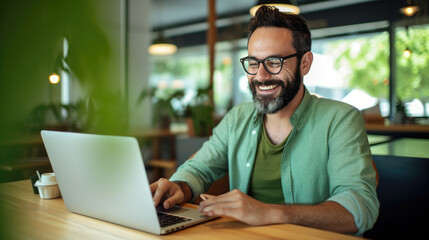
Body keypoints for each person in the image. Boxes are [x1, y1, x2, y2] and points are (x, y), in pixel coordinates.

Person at [150, 6, 379, 235]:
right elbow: (198, 169)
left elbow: (360, 208)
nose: (260, 75)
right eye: (253, 62)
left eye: (274, 62)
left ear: (305, 63)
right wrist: (177, 186)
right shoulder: (237, 118)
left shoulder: (341, 119)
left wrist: (271, 213)